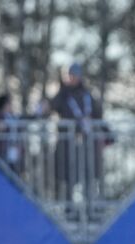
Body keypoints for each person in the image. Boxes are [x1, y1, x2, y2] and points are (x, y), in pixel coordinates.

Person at [49, 63, 106, 207]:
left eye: (74, 75)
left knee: (88, 176)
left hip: (88, 145)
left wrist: (106, 133)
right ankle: (70, 210)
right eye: (69, 75)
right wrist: (62, 90)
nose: (71, 78)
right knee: (69, 178)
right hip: (68, 145)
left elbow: (98, 113)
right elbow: (52, 106)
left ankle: (89, 209)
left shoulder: (87, 94)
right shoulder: (63, 94)